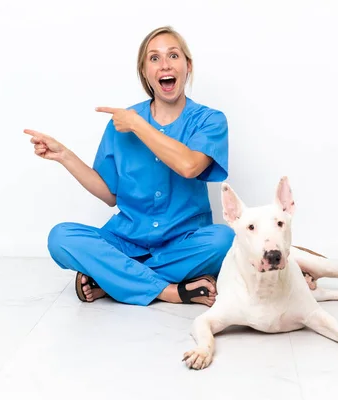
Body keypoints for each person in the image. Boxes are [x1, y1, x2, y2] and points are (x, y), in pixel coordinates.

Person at [24, 26, 235, 307]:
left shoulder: (210, 120)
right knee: (61, 238)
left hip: (185, 243)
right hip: (126, 242)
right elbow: (110, 194)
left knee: (225, 240)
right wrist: (64, 155)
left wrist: (138, 124)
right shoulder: (120, 125)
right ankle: (170, 291)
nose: (165, 64)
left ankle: (111, 281)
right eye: (154, 58)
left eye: (173, 55)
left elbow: (189, 166)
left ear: (188, 66)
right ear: (145, 72)